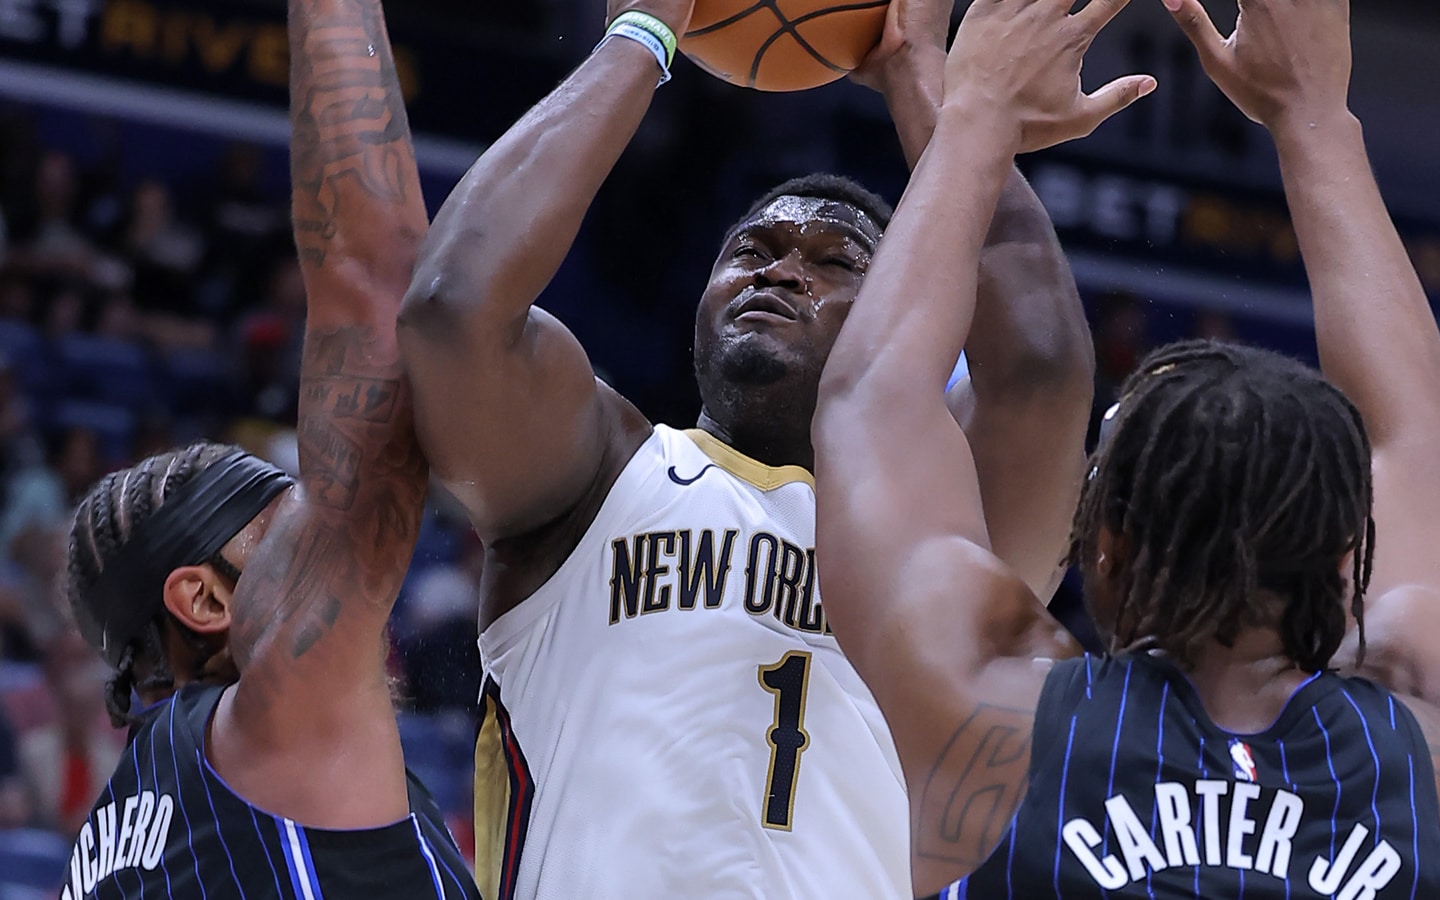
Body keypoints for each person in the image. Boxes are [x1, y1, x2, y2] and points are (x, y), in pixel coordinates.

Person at [395, 0, 1119, 891]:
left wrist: (933, 84)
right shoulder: (596, 474)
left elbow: (1040, 371)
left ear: (901, 317)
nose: (780, 269)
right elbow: (451, 308)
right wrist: (643, 33)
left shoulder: (940, 544)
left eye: (835, 263)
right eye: (753, 250)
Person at [809, 0, 1440, 898]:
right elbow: (1417, 451)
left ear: (1106, 544)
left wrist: (978, 110)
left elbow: (874, 400)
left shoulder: (997, 707)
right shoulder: (1436, 738)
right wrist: (1313, 118)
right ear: (1347, 560)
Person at [54, 0, 476, 895]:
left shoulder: (115, 835)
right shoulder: (272, 724)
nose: (325, 528)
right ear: (204, 599)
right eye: (286, 526)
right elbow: (380, 290)